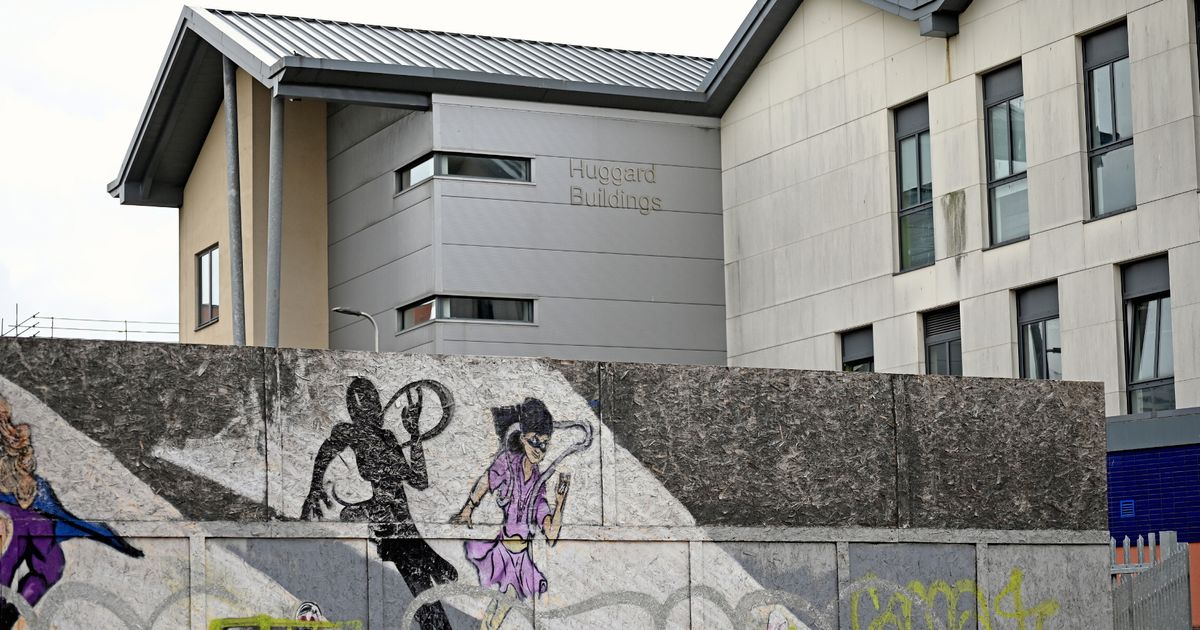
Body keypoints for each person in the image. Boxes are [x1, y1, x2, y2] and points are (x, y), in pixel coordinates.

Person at [301, 377, 457, 630]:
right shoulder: (351, 432)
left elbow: (418, 480)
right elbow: (326, 450)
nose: (371, 409)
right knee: (423, 588)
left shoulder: (387, 438)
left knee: (426, 587)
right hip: (390, 527)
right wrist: (315, 487)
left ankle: (432, 606)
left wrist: (414, 434)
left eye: (373, 402)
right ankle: (432, 600)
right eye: (363, 404)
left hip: (403, 526)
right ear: (354, 410)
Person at [0, 395, 142, 630]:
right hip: (18, 521)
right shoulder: (27, 504)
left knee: (48, 561)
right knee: (36, 554)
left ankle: (9, 613)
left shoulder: (30, 493)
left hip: (24, 517)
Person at [450, 398, 589, 630]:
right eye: (534, 440)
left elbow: (551, 533)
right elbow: (487, 480)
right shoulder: (508, 462)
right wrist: (468, 508)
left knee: (501, 606)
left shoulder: (539, 483)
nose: (539, 449)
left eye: (544, 443)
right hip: (502, 550)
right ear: (523, 438)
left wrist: (560, 503)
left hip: (521, 558)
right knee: (498, 607)